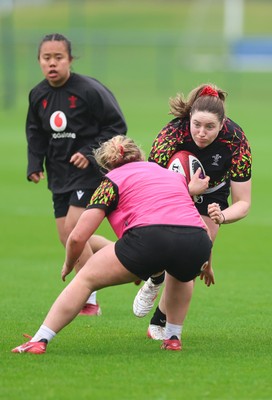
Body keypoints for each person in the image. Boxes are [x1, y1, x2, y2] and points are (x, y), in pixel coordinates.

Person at [12, 135, 214, 354]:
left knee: (85, 279)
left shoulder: (111, 180)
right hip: (198, 242)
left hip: (148, 239)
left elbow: (78, 236)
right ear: (140, 155)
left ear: (106, 167)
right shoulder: (170, 175)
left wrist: (70, 264)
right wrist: (207, 264)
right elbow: (190, 220)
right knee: (182, 272)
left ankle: (39, 340)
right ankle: (173, 337)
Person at [133, 83, 252, 340]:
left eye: (210, 127)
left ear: (223, 125)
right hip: (171, 190)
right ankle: (155, 276)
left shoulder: (236, 140)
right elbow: (151, 184)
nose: (201, 132)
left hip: (213, 195)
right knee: (165, 247)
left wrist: (223, 216)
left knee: (191, 259)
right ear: (189, 118)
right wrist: (187, 190)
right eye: (196, 124)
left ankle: (160, 319)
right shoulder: (172, 133)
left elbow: (243, 203)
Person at [26, 33, 127, 315]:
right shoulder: (38, 95)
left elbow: (117, 126)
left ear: (70, 59)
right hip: (59, 173)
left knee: (75, 230)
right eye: (47, 58)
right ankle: (133, 259)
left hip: (89, 172)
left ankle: (89, 298)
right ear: (39, 61)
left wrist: (89, 151)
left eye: (58, 57)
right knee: (68, 238)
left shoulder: (89, 90)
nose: (52, 63)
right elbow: (35, 133)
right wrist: (34, 164)